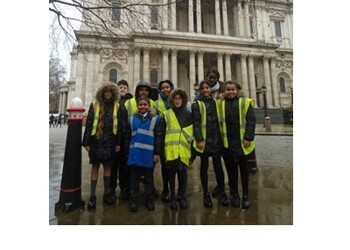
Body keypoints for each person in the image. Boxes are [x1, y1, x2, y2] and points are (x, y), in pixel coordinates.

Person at [218, 81, 256, 209]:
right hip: (227, 143)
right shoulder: (220, 103)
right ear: (224, 91)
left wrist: (248, 137)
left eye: (233, 89)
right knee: (231, 171)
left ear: (237, 90)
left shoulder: (245, 102)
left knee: (244, 172)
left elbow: (251, 120)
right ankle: (234, 194)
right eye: (228, 90)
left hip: (241, 143)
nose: (230, 92)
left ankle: (245, 195)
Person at [82, 82, 120, 209]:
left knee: (108, 167)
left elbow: (118, 126)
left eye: (110, 91)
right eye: (106, 91)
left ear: (113, 93)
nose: (108, 93)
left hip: (110, 141)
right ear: (102, 92)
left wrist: (118, 142)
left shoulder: (117, 106)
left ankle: (106, 193)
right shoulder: (94, 105)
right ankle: (92, 195)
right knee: (95, 167)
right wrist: (86, 142)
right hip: (96, 140)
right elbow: (89, 124)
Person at [192, 80, 229, 207]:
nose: (205, 90)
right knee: (204, 166)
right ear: (200, 90)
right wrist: (199, 139)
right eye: (203, 88)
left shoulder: (216, 102)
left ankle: (222, 191)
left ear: (211, 89)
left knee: (218, 166)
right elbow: (196, 123)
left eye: (207, 88)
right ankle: (206, 194)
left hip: (216, 138)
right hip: (205, 140)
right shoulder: (196, 104)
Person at [120, 80, 159, 199]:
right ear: (137, 91)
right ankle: (127, 190)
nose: (144, 92)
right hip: (132, 140)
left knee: (148, 171)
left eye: (146, 90)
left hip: (147, 142)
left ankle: (149, 190)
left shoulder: (153, 103)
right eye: (141, 90)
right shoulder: (129, 102)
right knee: (130, 170)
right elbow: (123, 119)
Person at [123, 96, 162, 212]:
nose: (143, 107)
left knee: (149, 180)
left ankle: (149, 200)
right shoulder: (131, 119)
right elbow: (127, 137)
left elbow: (158, 138)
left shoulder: (156, 119)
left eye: (145, 105)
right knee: (134, 179)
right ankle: (133, 200)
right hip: (135, 154)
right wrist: (127, 152)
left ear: (149, 106)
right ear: (137, 106)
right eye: (140, 105)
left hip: (148, 155)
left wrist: (157, 153)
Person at [161, 88, 193, 210]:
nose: (177, 101)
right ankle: (173, 197)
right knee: (171, 175)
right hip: (171, 151)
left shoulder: (188, 115)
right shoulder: (167, 114)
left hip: (183, 151)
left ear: (183, 100)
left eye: (179, 98)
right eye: (175, 98)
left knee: (183, 175)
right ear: (172, 100)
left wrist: (193, 153)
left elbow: (192, 134)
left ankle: (182, 196)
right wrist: (161, 152)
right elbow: (162, 133)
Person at [108, 80, 133, 200]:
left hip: (126, 139)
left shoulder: (131, 102)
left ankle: (124, 188)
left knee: (125, 166)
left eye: (124, 87)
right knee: (113, 166)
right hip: (114, 139)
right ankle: (111, 189)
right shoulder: (113, 102)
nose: (122, 89)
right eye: (120, 87)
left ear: (127, 89)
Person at [154, 79, 174, 203]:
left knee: (176, 166)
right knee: (165, 166)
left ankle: (174, 190)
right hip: (162, 137)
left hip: (175, 138)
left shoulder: (178, 101)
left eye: (168, 87)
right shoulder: (156, 104)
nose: (165, 90)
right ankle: (166, 188)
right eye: (163, 88)